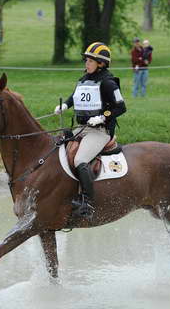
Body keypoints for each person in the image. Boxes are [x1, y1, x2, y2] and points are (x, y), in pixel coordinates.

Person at [54, 42, 127, 218]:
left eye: (90, 61)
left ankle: (87, 202)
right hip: (82, 128)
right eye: (86, 60)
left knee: (80, 160)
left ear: (100, 63)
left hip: (99, 132)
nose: (86, 64)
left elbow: (121, 107)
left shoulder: (109, 83)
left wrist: (103, 117)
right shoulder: (84, 79)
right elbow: (75, 96)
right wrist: (65, 105)